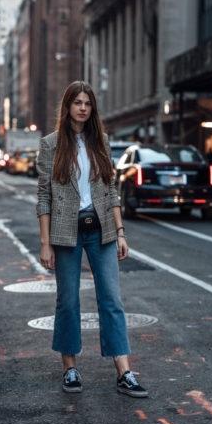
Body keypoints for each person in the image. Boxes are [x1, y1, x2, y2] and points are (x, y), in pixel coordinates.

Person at [36, 81, 148, 397]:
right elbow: (44, 195)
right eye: (77, 102)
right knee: (67, 301)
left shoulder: (102, 142)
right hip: (66, 231)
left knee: (112, 299)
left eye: (88, 103)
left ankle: (124, 372)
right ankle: (70, 368)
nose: (83, 107)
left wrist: (121, 232)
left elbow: (110, 189)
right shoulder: (51, 144)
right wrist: (45, 242)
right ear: (68, 106)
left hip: (102, 231)